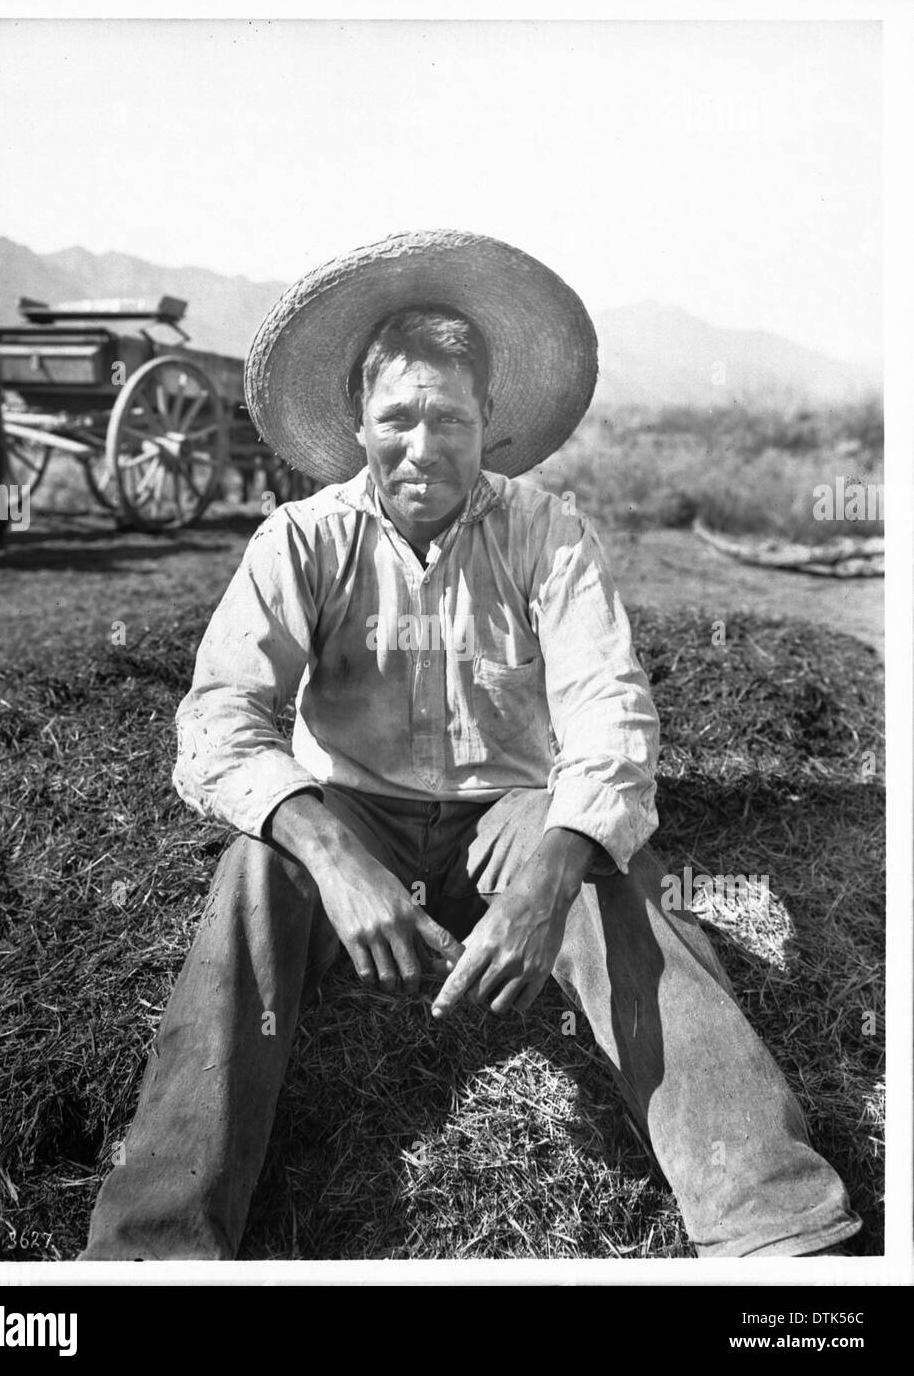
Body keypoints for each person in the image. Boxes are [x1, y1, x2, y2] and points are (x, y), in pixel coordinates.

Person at [80, 230, 861, 1261]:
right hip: (353, 810)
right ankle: (154, 1245)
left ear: (488, 422)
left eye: (448, 417)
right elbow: (219, 720)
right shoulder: (302, 540)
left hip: (511, 812)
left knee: (617, 877)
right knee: (251, 876)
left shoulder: (550, 534)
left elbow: (610, 713)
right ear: (356, 421)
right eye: (395, 417)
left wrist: (552, 870)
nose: (420, 445)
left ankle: (774, 1223)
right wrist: (329, 850)